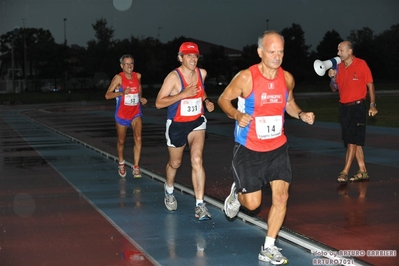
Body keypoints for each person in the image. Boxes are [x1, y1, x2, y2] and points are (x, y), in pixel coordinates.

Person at [218, 31, 315, 264]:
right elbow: (223, 99)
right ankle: (236, 194)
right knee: (253, 205)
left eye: (280, 51)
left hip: (278, 147)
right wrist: (237, 114)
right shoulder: (246, 77)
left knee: (281, 197)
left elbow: (289, 103)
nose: (277, 56)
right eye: (272, 52)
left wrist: (300, 114)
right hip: (249, 148)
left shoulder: (287, 78)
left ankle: (269, 247)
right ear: (260, 52)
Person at [155, 42, 215, 221]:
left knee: (197, 159)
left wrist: (206, 101)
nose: (193, 59)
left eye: (195, 55)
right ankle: (169, 189)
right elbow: (159, 103)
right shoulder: (173, 77)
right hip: (177, 125)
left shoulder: (201, 73)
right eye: (188, 55)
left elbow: (201, 91)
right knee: (176, 163)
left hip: (196, 122)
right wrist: (183, 94)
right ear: (180, 57)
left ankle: (200, 205)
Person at [328, 41, 378, 183]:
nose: (338, 53)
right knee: (353, 140)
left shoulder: (361, 64)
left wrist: (373, 105)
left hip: (358, 107)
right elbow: (333, 88)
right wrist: (332, 77)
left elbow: (370, 85)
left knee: (351, 140)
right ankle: (362, 171)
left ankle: (345, 171)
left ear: (349, 51)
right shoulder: (338, 67)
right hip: (344, 108)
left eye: (341, 50)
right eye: (338, 50)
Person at [105, 54, 147, 178]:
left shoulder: (137, 76)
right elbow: (107, 95)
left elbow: (139, 88)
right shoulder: (118, 78)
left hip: (135, 112)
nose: (129, 66)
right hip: (122, 114)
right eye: (127, 64)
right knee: (121, 141)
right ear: (122, 66)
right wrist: (122, 92)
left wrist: (140, 98)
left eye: (131, 64)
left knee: (138, 138)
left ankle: (136, 166)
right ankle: (121, 162)